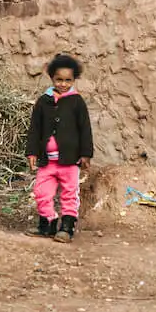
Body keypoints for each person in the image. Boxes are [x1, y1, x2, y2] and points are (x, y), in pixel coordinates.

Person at [25, 52, 93, 242]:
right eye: (59, 79)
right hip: (47, 162)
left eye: (68, 80)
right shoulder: (43, 102)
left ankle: (67, 228)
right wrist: (32, 152)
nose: (63, 84)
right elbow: (35, 129)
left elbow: (85, 129)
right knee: (41, 192)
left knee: (70, 194)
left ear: (74, 80)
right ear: (52, 78)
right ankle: (47, 224)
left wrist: (86, 154)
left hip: (69, 161)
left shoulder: (77, 102)